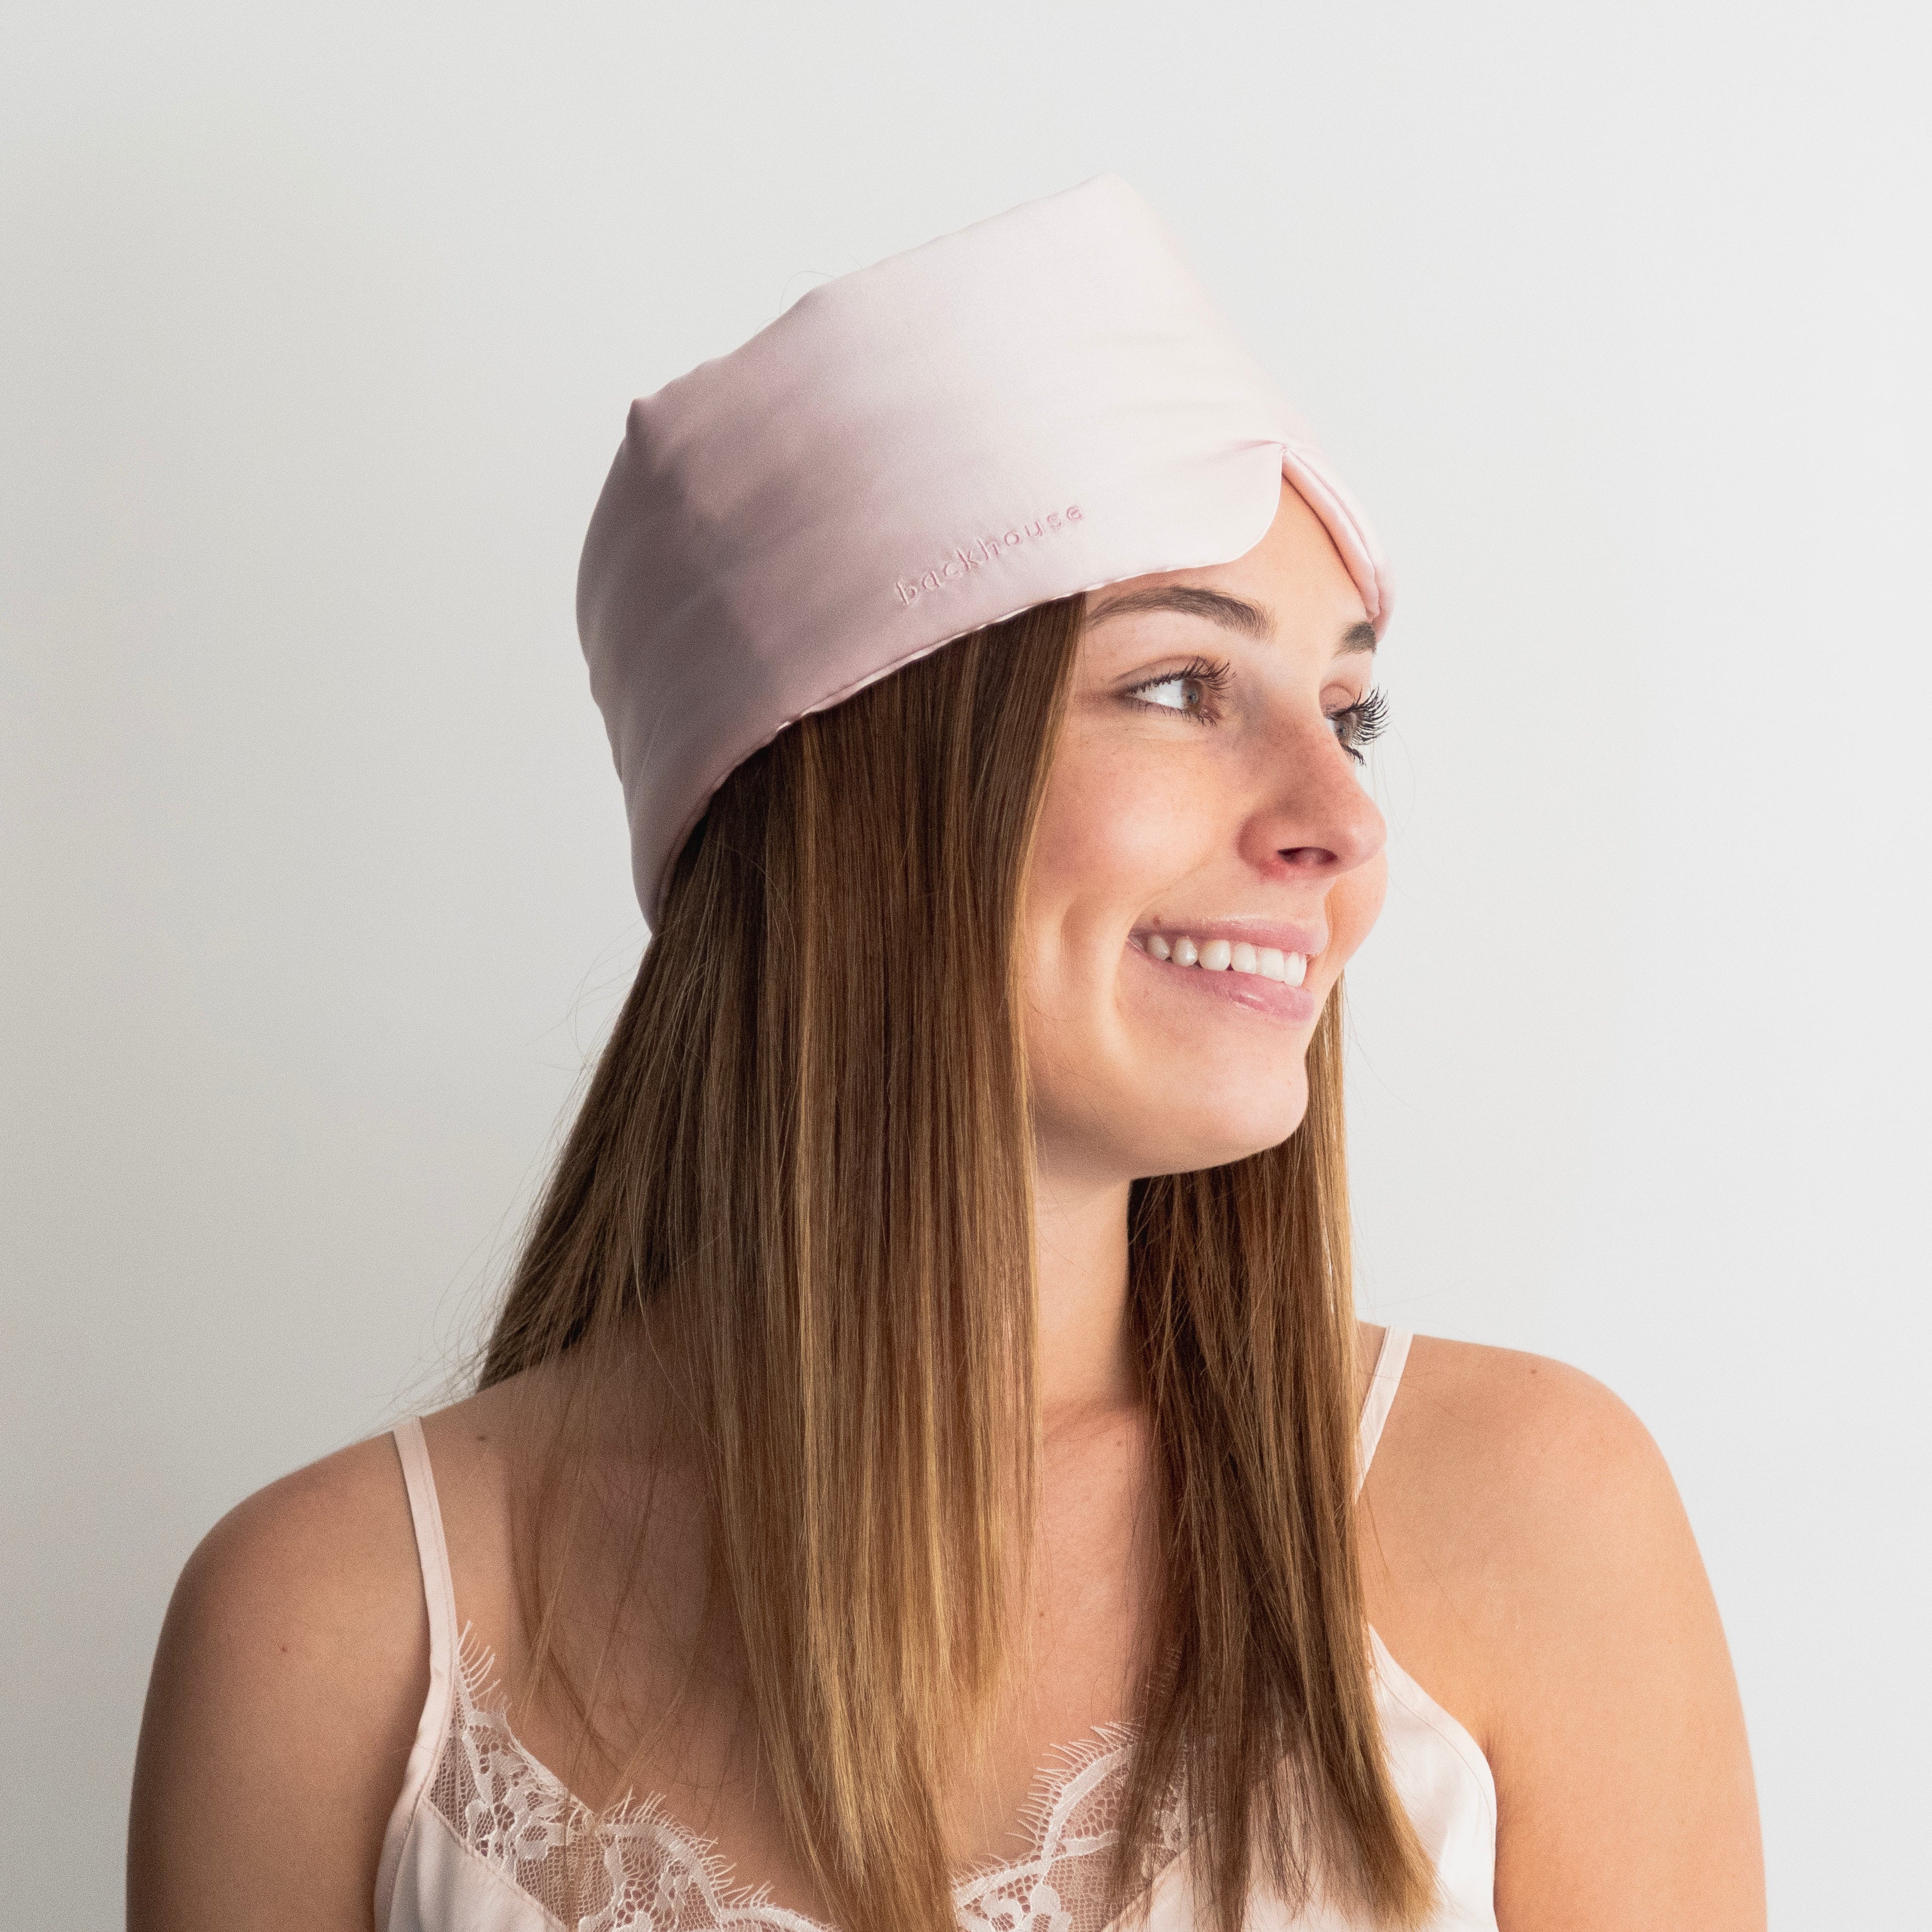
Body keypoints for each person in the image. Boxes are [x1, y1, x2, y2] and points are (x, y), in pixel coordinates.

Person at [126, 177, 1764, 1932]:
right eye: (1178, 688)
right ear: (855, 796)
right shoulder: (333, 1640)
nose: (1342, 820)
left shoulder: (1529, 1523)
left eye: (1350, 710)